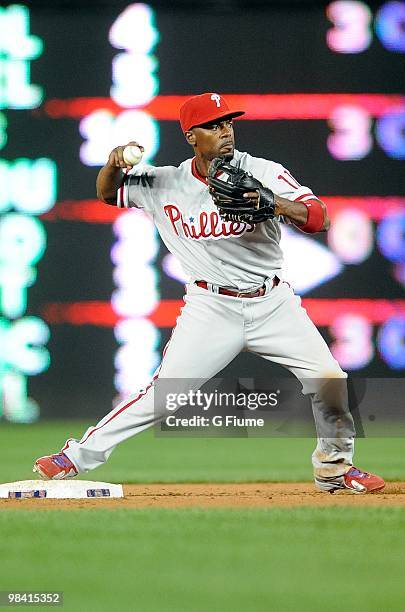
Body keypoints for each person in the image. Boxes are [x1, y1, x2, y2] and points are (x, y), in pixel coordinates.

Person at [34, 92, 385, 493]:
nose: (225, 131)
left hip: (272, 303)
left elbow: (319, 217)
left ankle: (335, 469)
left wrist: (275, 204)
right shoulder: (165, 183)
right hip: (211, 306)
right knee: (164, 394)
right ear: (191, 136)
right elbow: (107, 193)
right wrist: (113, 164)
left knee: (329, 380)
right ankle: (75, 456)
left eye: (228, 123)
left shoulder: (262, 171)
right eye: (214, 125)